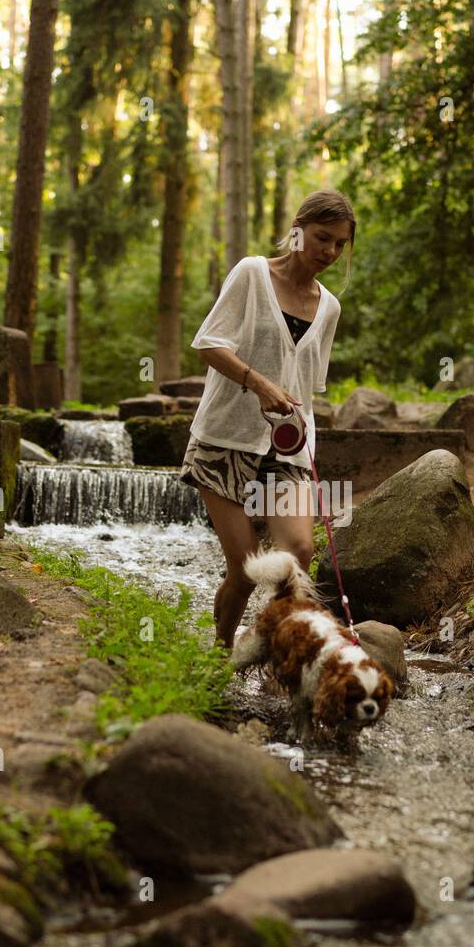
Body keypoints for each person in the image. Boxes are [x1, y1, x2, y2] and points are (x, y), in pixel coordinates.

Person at [180, 189, 356, 648]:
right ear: (297, 230)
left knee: (297, 552)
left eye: (340, 244)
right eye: (323, 238)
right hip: (224, 437)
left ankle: (276, 655)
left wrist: (303, 436)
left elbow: (306, 388)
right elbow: (207, 344)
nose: (330, 252)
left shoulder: (330, 307)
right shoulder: (252, 273)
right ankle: (219, 657)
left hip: (289, 448)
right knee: (243, 570)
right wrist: (259, 384)